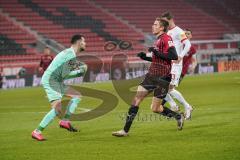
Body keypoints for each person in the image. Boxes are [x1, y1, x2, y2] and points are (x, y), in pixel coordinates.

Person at [112, 18, 184, 137]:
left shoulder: (166, 38)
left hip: (163, 77)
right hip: (151, 76)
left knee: (155, 109)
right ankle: (125, 131)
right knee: (136, 100)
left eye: (155, 25)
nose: (153, 26)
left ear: (161, 28)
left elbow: (173, 56)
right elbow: (158, 58)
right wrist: (145, 57)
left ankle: (178, 116)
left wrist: (156, 53)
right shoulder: (158, 40)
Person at [32, 34, 88, 141]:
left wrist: (79, 71)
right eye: (84, 42)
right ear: (79, 42)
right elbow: (64, 74)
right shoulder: (70, 55)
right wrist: (80, 72)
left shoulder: (69, 53)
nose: (85, 44)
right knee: (57, 109)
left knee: (76, 96)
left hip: (56, 80)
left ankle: (65, 121)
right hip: (51, 80)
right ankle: (36, 131)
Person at [160, 12, 193, 120]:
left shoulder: (179, 31)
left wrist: (181, 56)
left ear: (170, 20)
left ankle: (184, 106)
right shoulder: (168, 32)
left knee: (168, 88)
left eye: (164, 21)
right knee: (160, 87)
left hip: (176, 65)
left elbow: (188, 44)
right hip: (168, 64)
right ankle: (177, 105)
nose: (163, 23)